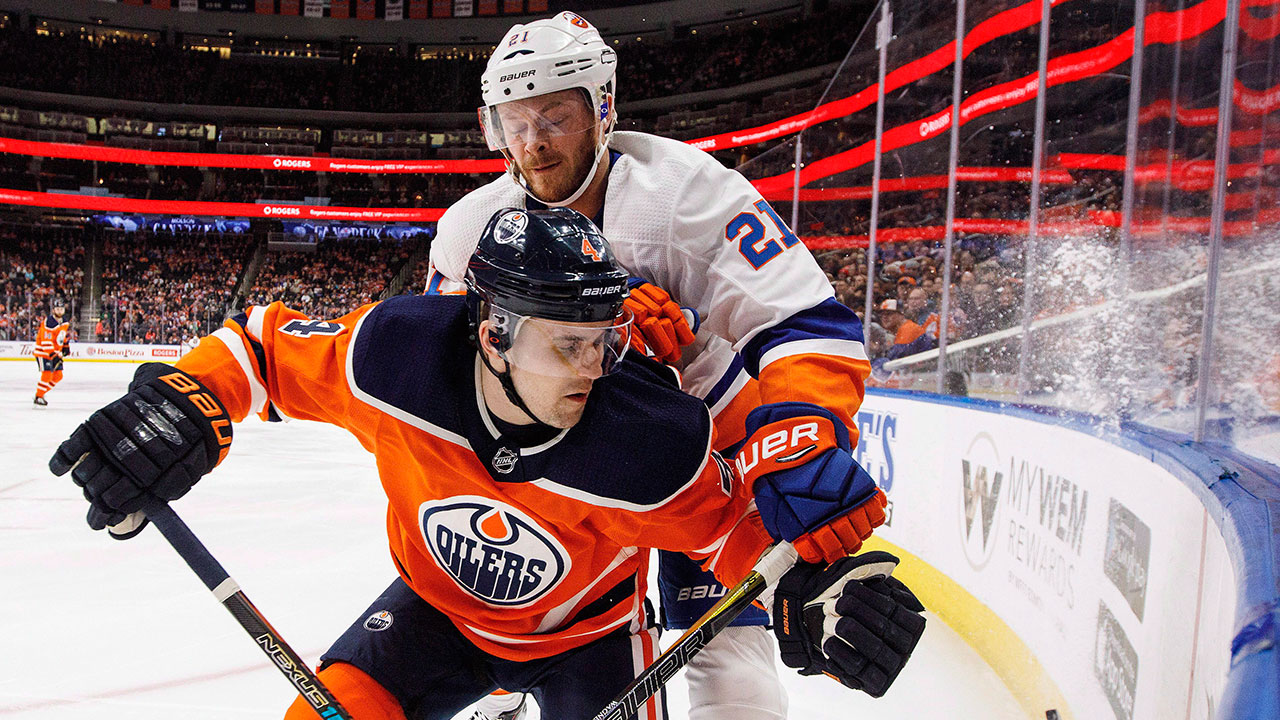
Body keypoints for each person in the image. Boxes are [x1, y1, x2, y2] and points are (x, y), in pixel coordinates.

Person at [49, 209, 925, 720]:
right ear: (493, 331)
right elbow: (261, 349)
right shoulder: (394, 358)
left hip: (590, 643)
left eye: (605, 339)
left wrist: (815, 592)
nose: (596, 366)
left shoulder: (650, 440)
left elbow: (735, 534)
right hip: (433, 616)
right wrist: (186, 402)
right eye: (569, 343)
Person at [425, 12, 886, 720]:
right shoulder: (468, 229)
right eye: (515, 123)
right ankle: (505, 688)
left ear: (603, 108)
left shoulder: (683, 193)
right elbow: (451, 373)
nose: (534, 143)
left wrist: (799, 436)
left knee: (729, 658)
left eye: (555, 117)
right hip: (555, 458)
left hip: (697, 449)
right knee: (517, 628)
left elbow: (800, 318)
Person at [33, 299, 70, 406]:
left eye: (61, 309)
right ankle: (39, 396)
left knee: (58, 375)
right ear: (53, 310)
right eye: (57, 309)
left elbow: (62, 335)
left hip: (55, 352)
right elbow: (46, 341)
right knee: (47, 374)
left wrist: (65, 346)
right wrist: (53, 355)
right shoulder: (49, 323)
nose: (59, 311)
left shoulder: (65, 322)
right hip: (43, 353)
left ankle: (40, 394)